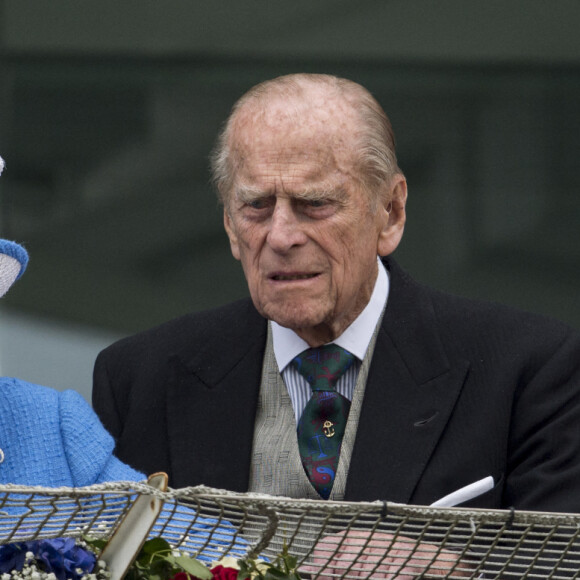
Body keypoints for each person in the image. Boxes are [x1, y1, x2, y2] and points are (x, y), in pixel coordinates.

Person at [92, 73, 580, 515]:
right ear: (229, 224)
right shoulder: (140, 380)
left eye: (315, 204)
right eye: (256, 205)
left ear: (390, 213)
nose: (281, 236)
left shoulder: (527, 371)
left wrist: (454, 567)